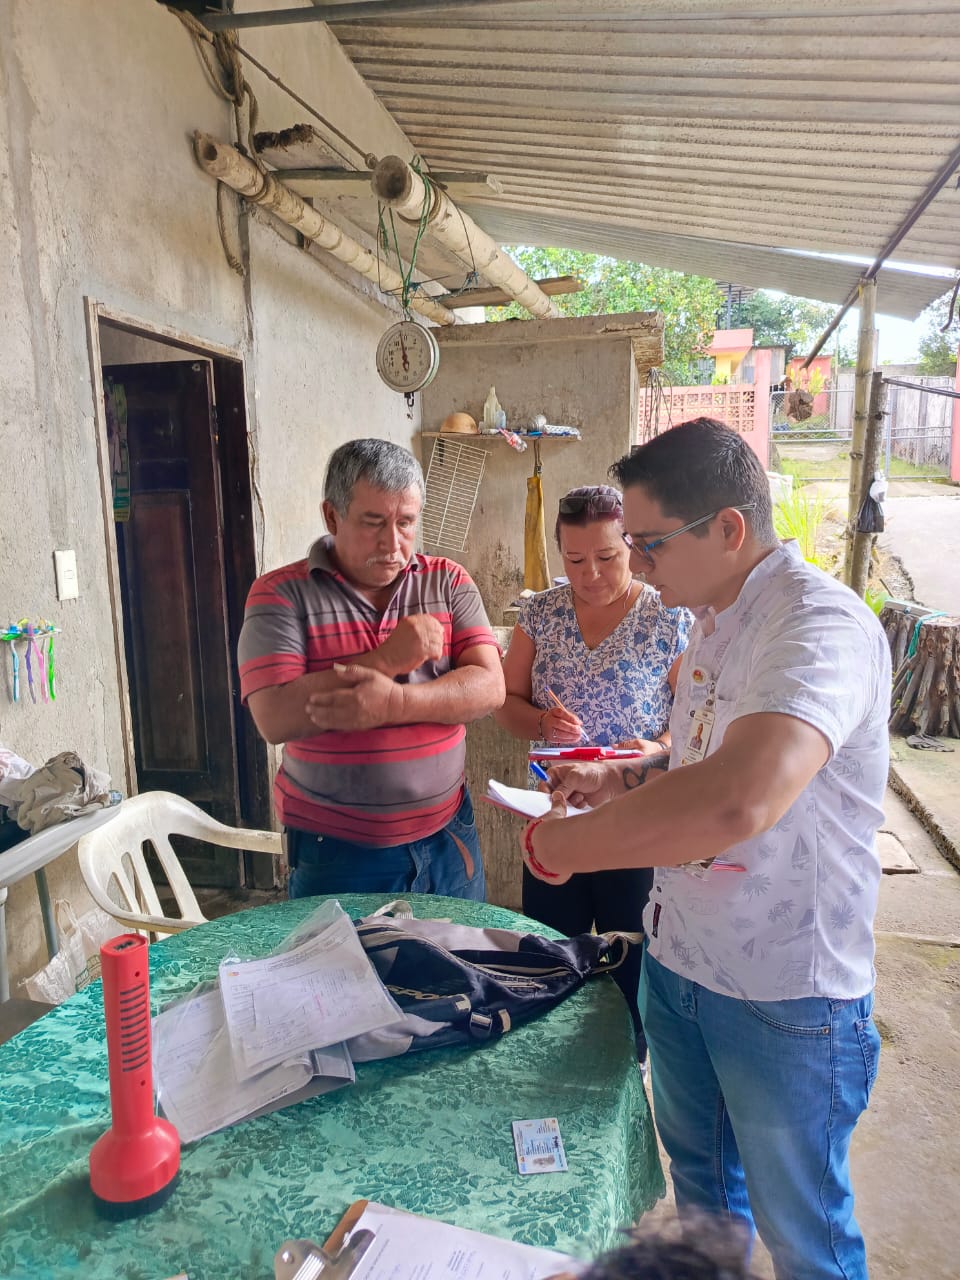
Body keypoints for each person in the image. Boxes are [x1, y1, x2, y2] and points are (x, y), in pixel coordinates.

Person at [521, 419, 889, 1280]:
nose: (636, 564)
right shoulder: (711, 621)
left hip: (784, 991)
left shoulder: (817, 627)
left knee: (805, 1234)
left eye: (648, 544)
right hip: (684, 960)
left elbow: (737, 796)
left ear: (727, 528)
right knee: (705, 1210)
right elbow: (697, 761)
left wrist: (569, 843)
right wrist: (622, 778)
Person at [238, 438, 504, 900]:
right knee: (346, 952)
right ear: (332, 516)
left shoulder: (448, 581)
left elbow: (489, 687)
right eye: (373, 522)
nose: (392, 543)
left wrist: (395, 702)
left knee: (460, 948)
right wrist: (386, 660)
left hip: (448, 835)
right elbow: (275, 717)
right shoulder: (280, 595)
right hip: (338, 853)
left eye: (406, 523)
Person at [495, 485, 690, 1058]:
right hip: (555, 816)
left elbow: (694, 723)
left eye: (606, 557)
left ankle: (626, 1065)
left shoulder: (667, 615)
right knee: (554, 954)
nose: (591, 574)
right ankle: (555, 1062)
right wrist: (541, 721)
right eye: (575, 559)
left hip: (635, 822)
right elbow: (505, 702)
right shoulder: (541, 613)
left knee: (631, 955)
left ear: (631, 546)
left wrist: (654, 747)